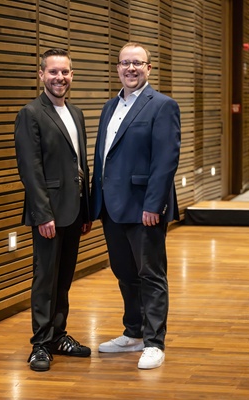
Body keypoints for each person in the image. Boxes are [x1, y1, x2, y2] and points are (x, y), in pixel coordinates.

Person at [90, 42, 181, 370]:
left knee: (151, 274)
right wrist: (94, 203)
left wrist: (154, 204)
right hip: (111, 207)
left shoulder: (163, 105)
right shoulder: (109, 107)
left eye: (137, 63)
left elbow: (166, 160)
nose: (131, 68)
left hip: (144, 208)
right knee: (125, 273)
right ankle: (134, 333)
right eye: (125, 63)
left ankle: (154, 342)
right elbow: (102, 158)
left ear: (149, 68)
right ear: (117, 68)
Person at [14, 48, 92, 372]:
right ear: (41, 75)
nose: (60, 77)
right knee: (45, 279)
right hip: (49, 213)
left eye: (65, 72)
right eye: (53, 72)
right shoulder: (31, 113)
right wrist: (42, 214)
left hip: (74, 211)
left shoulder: (76, 113)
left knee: (63, 279)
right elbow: (30, 170)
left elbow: (80, 164)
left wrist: (86, 210)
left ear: (72, 75)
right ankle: (41, 344)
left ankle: (58, 335)